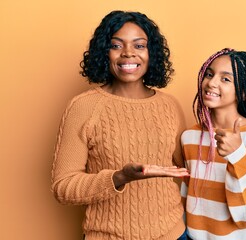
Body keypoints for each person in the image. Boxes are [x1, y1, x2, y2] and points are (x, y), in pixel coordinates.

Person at [51, 10, 190, 240]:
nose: (128, 53)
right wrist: (119, 177)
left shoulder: (170, 106)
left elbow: (191, 170)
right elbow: (63, 187)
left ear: (151, 53)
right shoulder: (84, 107)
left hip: (173, 233)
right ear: (104, 53)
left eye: (139, 46)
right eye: (116, 45)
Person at [180, 48, 246, 240]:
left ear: (244, 92)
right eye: (209, 74)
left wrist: (237, 155)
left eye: (225, 79)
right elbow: (184, 199)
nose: (211, 83)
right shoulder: (189, 136)